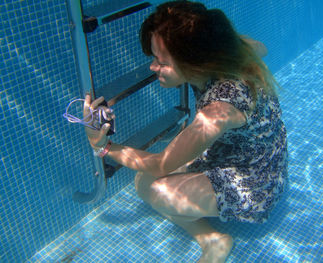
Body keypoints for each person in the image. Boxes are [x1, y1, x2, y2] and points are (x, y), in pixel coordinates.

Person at [83, 1, 288, 262]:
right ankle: (212, 238)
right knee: (143, 182)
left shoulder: (219, 111)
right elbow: (262, 48)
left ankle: (218, 243)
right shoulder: (227, 49)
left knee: (157, 190)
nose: (152, 67)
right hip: (242, 149)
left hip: (256, 180)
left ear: (195, 61)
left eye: (161, 61)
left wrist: (102, 146)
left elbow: (162, 164)